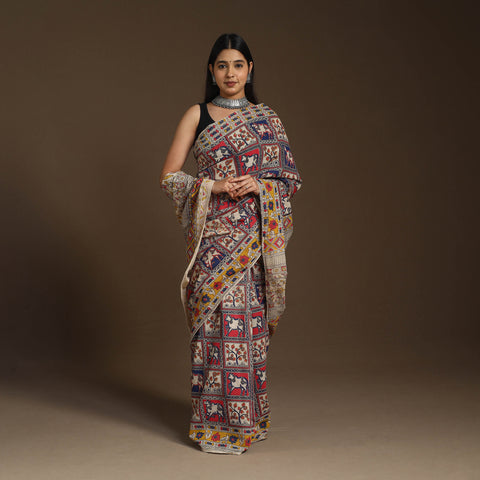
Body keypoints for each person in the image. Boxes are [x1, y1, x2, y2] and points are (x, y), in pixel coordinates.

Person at [160, 33, 302, 454]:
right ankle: (212, 427)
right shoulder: (197, 114)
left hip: (253, 244)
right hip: (213, 242)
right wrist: (214, 185)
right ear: (211, 70)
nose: (230, 73)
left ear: (250, 69)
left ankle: (246, 423)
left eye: (238, 65)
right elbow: (169, 177)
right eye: (222, 65)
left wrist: (260, 185)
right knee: (213, 334)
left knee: (247, 333)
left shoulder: (267, 119)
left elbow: (288, 181)